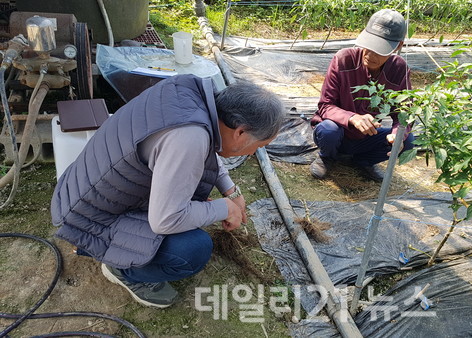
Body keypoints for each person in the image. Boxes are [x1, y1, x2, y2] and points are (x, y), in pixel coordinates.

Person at [51, 75, 284, 308]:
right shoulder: (189, 138)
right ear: (241, 132)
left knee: (194, 202)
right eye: (259, 146)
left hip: (84, 191)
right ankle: (122, 270)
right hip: (90, 217)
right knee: (193, 249)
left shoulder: (187, 92)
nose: (254, 153)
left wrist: (231, 191)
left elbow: (204, 147)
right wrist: (224, 208)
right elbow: (166, 220)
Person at [310, 9, 415, 182]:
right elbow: (325, 106)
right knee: (329, 130)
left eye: (379, 50)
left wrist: (397, 135)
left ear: (398, 46)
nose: (370, 55)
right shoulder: (343, 59)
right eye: (369, 45)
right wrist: (352, 118)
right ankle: (326, 157)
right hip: (338, 132)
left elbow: (404, 113)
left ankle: (364, 161)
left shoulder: (399, 69)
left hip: (367, 137)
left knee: (409, 141)